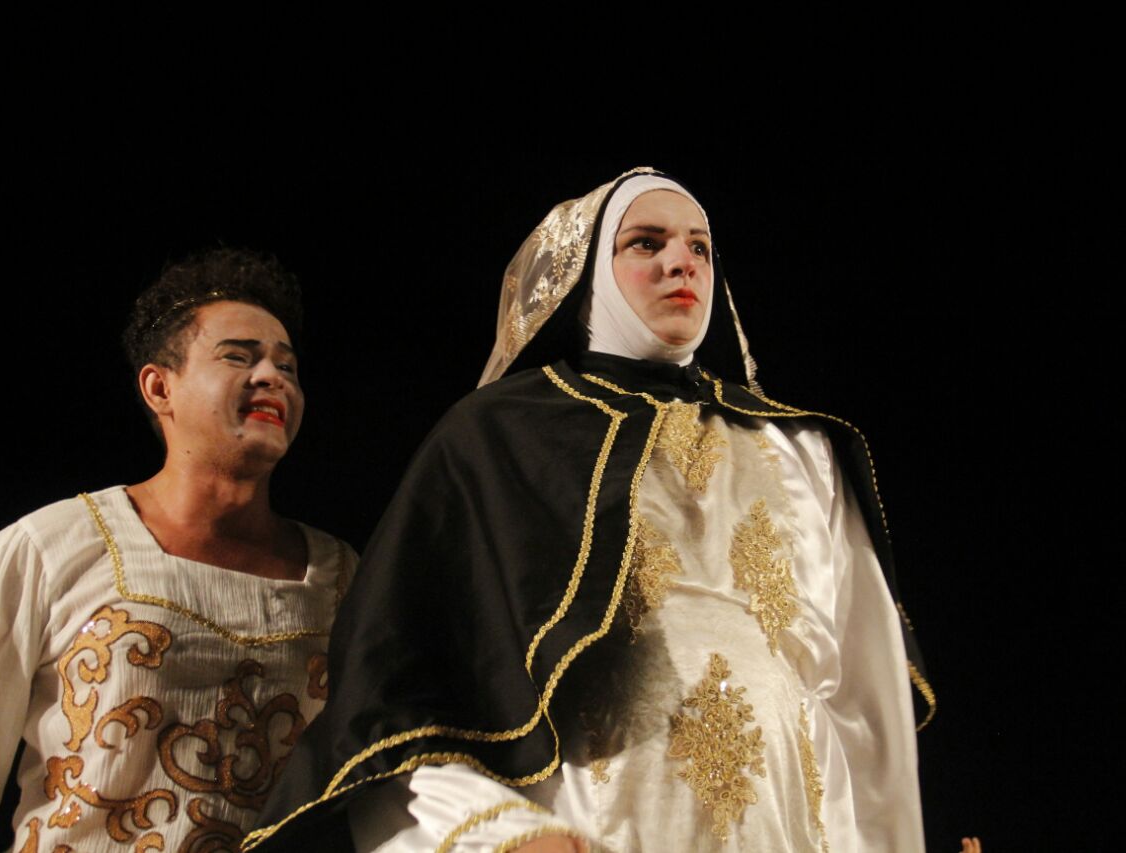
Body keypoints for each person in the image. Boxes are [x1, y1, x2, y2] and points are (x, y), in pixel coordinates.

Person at [246, 170, 935, 852]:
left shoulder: (803, 450)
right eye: (646, 242)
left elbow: (861, 704)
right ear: (589, 277)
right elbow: (405, 696)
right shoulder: (498, 438)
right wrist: (503, 833)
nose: (681, 262)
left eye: (699, 246)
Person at [0, 248, 357, 852]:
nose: (273, 377)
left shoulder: (343, 580)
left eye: (288, 366)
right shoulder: (53, 548)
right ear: (159, 387)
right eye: (238, 356)